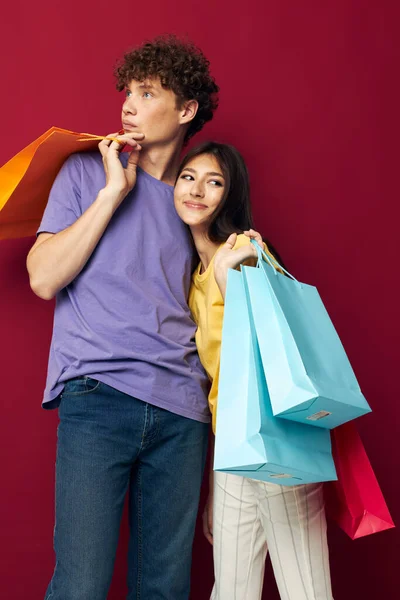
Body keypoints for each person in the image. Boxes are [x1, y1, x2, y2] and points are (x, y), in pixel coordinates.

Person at [26, 35, 219, 600]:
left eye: (147, 92)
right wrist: (113, 194)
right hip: (98, 397)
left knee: (164, 589)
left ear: (186, 111)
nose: (128, 105)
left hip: (182, 412)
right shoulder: (86, 173)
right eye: (127, 91)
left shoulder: (197, 199)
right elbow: (43, 278)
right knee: (80, 586)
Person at [173, 141, 334, 600]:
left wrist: (232, 277)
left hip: (279, 433)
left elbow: (280, 344)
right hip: (231, 446)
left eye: (214, 181)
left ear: (231, 194)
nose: (198, 190)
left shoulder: (244, 248)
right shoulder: (192, 275)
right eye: (189, 177)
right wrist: (214, 482)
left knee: (305, 589)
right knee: (232, 590)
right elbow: (221, 382)